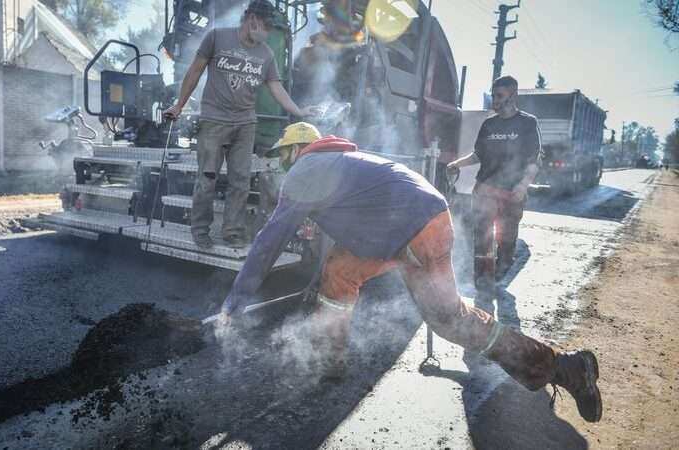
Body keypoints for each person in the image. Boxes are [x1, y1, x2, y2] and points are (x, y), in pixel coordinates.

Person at [220, 122, 602, 423]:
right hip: (414, 225)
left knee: (451, 320)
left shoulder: (305, 168)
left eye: (284, 156)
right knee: (339, 271)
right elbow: (350, 218)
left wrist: (235, 303)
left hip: (413, 230)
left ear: (296, 149)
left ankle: (564, 367)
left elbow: (269, 242)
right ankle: (328, 359)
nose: (282, 166)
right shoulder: (337, 162)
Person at [164, 0, 315, 249]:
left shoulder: (265, 53)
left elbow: (276, 87)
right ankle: (200, 230)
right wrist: (179, 105)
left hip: (245, 123)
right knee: (207, 178)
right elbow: (194, 71)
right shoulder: (217, 38)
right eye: (265, 26)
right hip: (214, 120)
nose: (267, 33)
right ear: (252, 19)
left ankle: (232, 231)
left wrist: (298, 110)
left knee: (240, 181)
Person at [446, 75, 542, 311]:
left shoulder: (527, 124)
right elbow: (478, 155)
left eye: (500, 96)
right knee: (482, 240)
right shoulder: (489, 124)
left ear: (513, 95)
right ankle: (483, 285)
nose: (495, 101)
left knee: (506, 244)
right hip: (485, 190)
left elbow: (534, 160)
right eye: (494, 95)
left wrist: (523, 186)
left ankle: (498, 276)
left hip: (512, 194)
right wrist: (457, 164)